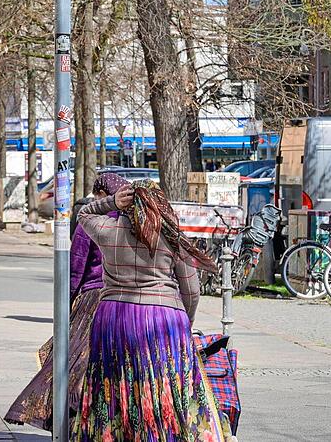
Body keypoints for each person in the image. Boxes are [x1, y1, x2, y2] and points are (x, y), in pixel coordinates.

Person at [71, 180, 233, 441]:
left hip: (113, 318)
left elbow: (84, 214)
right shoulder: (172, 237)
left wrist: (111, 202)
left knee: (114, 386)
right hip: (164, 319)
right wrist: (185, 322)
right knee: (164, 388)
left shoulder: (108, 230)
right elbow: (191, 290)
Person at [5, 173, 129, 432]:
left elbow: (76, 265)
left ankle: (69, 419)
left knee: (71, 363)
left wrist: (68, 300)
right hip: (123, 300)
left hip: (93, 298)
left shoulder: (92, 221)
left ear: (100, 194)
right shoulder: (131, 220)